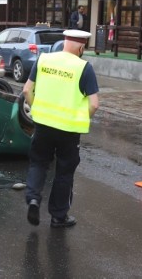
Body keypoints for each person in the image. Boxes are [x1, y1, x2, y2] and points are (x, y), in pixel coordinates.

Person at [22, 29, 99, 228]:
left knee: (38, 163)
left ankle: (33, 199)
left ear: (64, 42)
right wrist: (81, 118)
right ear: (81, 47)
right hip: (69, 130)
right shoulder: (84, 68)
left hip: (43, 124)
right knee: (64, 171)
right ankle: (58, 216)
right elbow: (94, 104)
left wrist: (37, 110)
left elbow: (26, 90)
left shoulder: (44, 60)